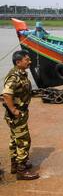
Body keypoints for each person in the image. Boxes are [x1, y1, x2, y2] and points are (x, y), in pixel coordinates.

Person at [2, 50, 39, 180]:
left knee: (14, 139)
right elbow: (6, 94)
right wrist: (13, 110)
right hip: (17, 115)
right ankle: (21, 170)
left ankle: (15, 165)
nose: (29, 61)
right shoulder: (14, 76)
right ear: (18, 62)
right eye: (26, 60)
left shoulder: (21, 74)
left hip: (20, 113)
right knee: (24, 141)